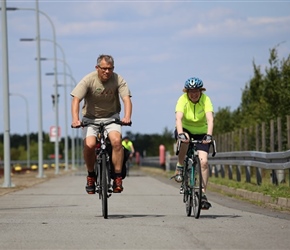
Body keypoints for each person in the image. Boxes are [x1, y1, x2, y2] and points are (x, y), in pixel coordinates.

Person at [71, 54, 132, 194]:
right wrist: (75, 119)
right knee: (90, 145)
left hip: (111, 117)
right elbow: (76, 100)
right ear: (97, 68)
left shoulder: (118, 79)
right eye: (104, 68)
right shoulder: (88, 79)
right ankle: (91, 175)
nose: (107, 72)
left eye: (110, 69)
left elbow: (126, 99)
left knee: (117, 142)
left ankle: (117, 177)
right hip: (90, 118)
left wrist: (127, 117)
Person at [174, 77, 214, 209]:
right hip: (185, 130)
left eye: (197, 91)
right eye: (191, 91)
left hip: (202, 132)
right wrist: (180, 133)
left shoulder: (206, 100)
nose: (194, 94)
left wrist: (209, 135)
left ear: (201, 91)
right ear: (187, 92)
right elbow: (178, 118)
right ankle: (180, 167)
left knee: (203, 162)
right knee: (184, 140)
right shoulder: (182, 100)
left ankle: (202, 194)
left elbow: (210, 119)